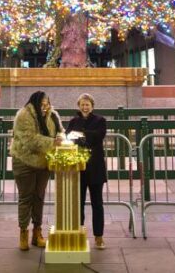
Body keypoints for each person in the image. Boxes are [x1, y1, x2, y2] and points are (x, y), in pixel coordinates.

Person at [10, 90, 63, 251]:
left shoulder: (53, 115)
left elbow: (60, 130)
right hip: (24, 162)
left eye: (47, 103)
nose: (45, 107)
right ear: (35, 103)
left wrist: (60, 136)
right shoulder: (24, 115)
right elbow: (30, 140)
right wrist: (53, 142)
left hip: (43, 163)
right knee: (26, 198)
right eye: (42, 104)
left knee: (39, 197)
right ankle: (23, 233)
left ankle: (37, 232)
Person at [65, 92, 108, 250]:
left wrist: (81, 135)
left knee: (97, 203)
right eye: (82, 104)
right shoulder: (73, 121)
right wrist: (76, 137)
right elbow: (68, 137)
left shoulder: (100, 120)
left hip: (95, 167)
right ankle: (79, 233)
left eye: (87, 104)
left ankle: (99, 236)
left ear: (92, 106)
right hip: (78, 167)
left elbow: (99, 136)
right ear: (79, 106)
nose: (85, 107)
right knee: (78, 203)